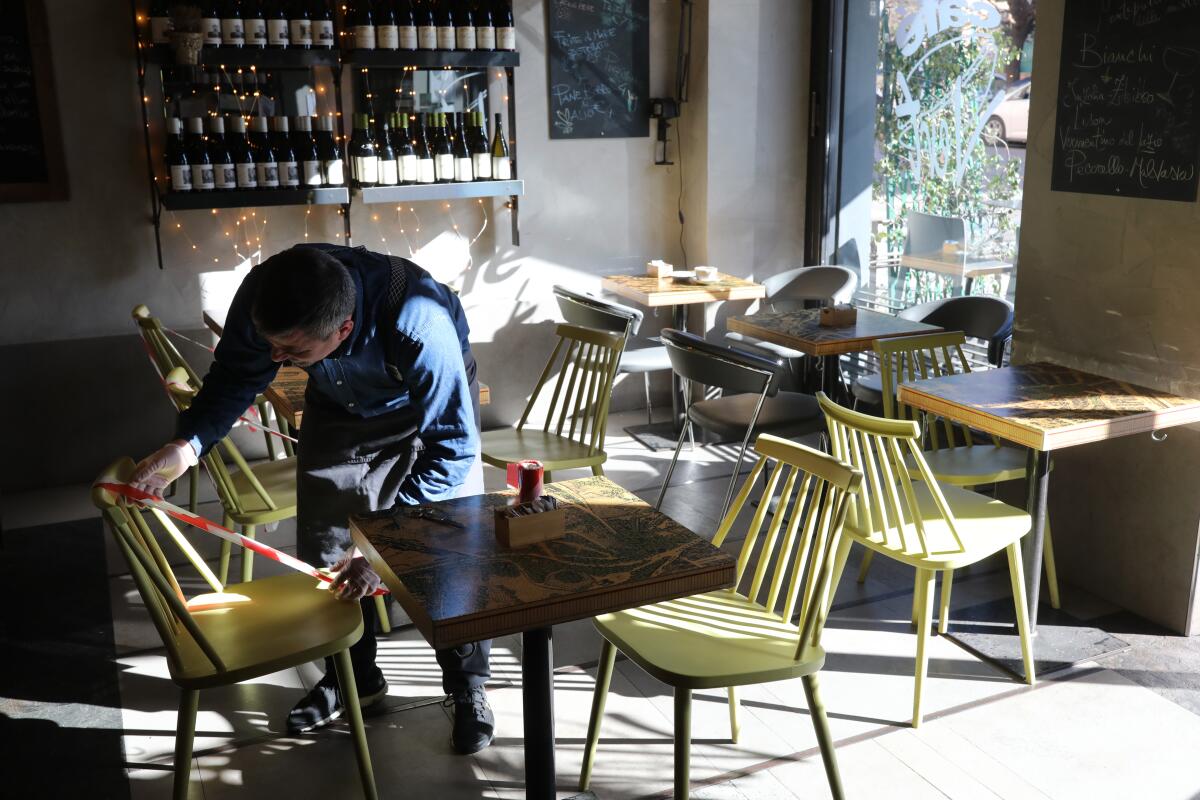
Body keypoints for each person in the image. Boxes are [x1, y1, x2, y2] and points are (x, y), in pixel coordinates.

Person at [129, 243, 495, 754]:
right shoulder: (267, 293)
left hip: (420, 413)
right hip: (337, 412)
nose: (277, 360)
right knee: (328, 549)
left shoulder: (420, 323)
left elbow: (453, 449)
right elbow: (235, 377)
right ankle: (353, 677)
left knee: (444, 550)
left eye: (293, 353)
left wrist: (382, 544)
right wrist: (184, 448)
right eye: (272, 345)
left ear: (343, 329)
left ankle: (466, 686)